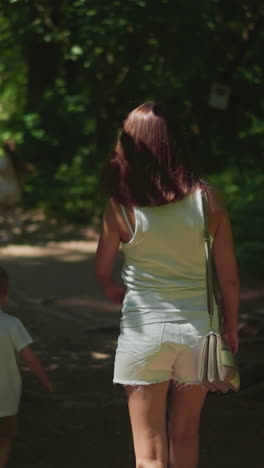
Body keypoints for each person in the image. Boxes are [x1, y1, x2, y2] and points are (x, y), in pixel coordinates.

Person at [95, 102, 239, 468]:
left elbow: (102, 269)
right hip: (198, 333)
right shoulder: (208, 200)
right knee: (186, 436)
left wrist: (113, 289)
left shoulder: (120, 209)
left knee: (149, 455)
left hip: (144, 336)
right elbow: (230, 278)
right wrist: (230, 326)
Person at [0, 267, 52, 468]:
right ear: (4, 296)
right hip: (6, 400)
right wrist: (45, 381)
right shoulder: (11, 324)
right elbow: (30, 359)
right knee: (5, 438)